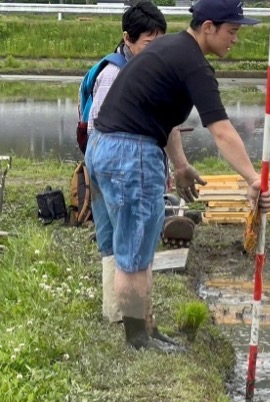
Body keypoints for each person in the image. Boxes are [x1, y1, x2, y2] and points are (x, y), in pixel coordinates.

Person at [86, 0, 270, 352]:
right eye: (232, 31)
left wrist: (182, 166)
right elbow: (221, 131)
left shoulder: (169, 47)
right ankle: (137, 339)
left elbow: (161, 113)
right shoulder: (194, 65)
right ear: (208, 27)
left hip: (102, 147)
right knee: (135, 254)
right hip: (131, 154)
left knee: (126, 245)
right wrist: (252, 179)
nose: (235, 39)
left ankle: (145, 328)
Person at [85, 1, 171, 329]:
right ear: (128, 39)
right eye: (149, 44)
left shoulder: (140, 69)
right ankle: (121, 315)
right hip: (111, 166)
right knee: (119, 240)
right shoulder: (113, 74)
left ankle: (121, 312)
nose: (155, 51)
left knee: (120, 240)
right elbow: (101, 129)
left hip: (115, 164)